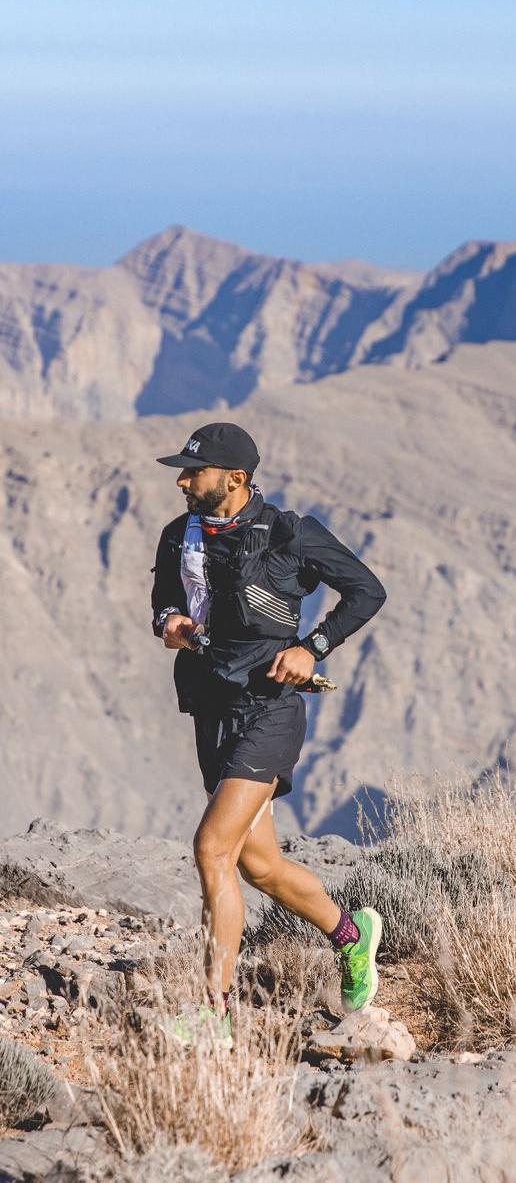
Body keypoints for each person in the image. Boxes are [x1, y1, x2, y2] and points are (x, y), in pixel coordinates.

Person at [151, 421, 386, 1044]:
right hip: (211, 706)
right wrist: (169, 622)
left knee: (212, 850)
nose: (182, 482)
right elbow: (163, 602)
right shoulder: (179, 536)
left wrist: (313, 647)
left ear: (235, 478)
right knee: (259, 865)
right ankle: (352, 935)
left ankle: (215, 1014)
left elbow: (367, 591)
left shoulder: (289, 533)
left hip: (270, 709)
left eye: (193, 472)